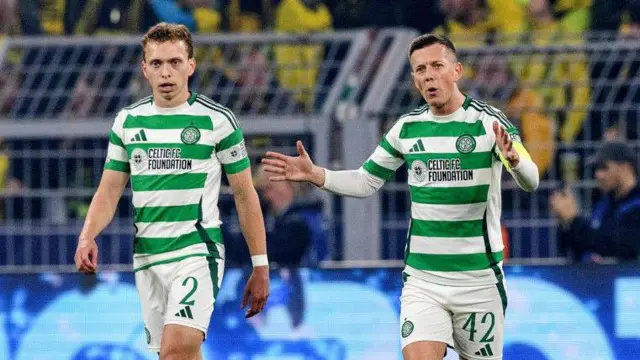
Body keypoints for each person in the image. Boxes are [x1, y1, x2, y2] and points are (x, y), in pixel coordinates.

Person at [262, 33, 539, 360]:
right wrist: (316, 175)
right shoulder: (407, 128)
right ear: (413, 79)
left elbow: (531, 180)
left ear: (457, 71)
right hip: (423, 280)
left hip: (478, 280)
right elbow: (366, 181)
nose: (429, 75)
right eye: (420, 69)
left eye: (437, 65)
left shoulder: (487, 121)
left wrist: (517, 162)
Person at [74, 22, 269, 360]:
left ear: (191, 66)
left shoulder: (217, 121)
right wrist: (87, 236)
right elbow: (109, 189)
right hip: (148, 257)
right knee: (182, 355)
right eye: (157, 63)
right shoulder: (128, 122)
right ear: (144, 69)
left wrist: (260, 264)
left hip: (196, 252)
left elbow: (244, 193)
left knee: (174, 352)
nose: (166, 72)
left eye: (175, 62)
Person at [550, 141, 640, 263]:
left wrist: (574, 220)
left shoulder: (636, 205)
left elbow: (620, 246)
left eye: (604, 168)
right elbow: (582, 247)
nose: (598, 175)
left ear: (626, 168)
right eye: (596, 169)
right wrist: (566, 223)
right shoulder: (603, 204)